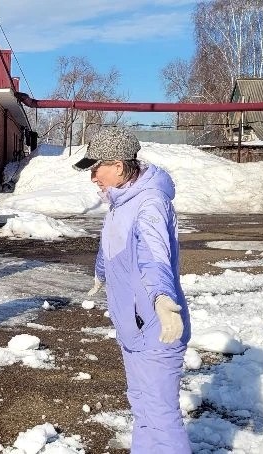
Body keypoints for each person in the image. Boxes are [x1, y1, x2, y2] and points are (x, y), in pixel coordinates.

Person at [76, 127, 192, 453]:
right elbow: (111, 247)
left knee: (161, 419)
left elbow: (155, 256)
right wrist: (100, 273)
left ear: (117, 165)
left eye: (95, 167)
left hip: (157, 326)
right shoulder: (120, 204)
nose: (92, 177)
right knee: (142, 409)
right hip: (133, 325)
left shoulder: (149, 203)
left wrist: (163, 299)